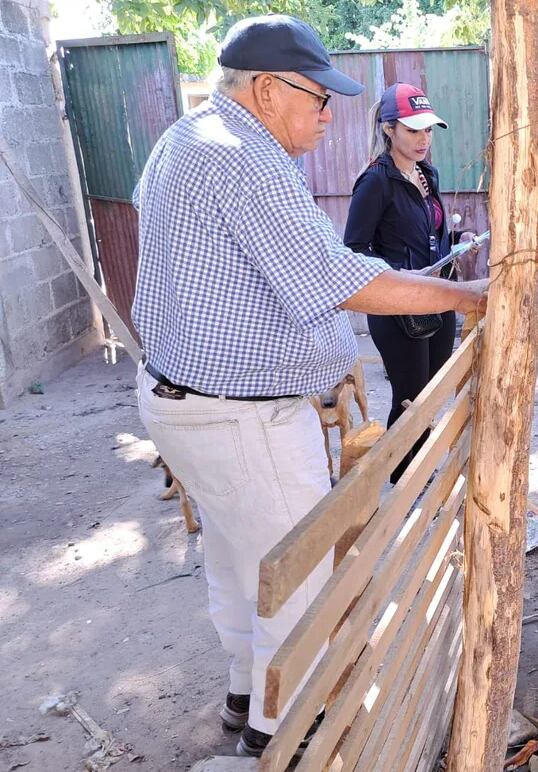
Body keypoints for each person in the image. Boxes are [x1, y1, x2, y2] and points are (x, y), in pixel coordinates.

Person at [130, 15, 486, 758]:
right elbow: (335, 276)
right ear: (265, 89)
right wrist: (464, 295)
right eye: (317, 99)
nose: (329, 116)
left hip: (183, 402)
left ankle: (243, 694)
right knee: (299, 579)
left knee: (239, 560)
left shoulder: (188, 138)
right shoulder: (243, 158)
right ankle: (282, 736)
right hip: (240, 417)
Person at [344, 83, 476, 482]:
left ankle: (414, 470)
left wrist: (457, 243)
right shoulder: (375, 181)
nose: (423, 139)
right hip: (398, 308)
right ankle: (405, 476)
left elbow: (427, 237)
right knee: (410, 397)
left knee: (430, 394)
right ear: (389, 129)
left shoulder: (426, 173)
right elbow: (353, 251)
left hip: (435, 298)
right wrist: (399, 274)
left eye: (429, 130)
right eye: (413, 130)